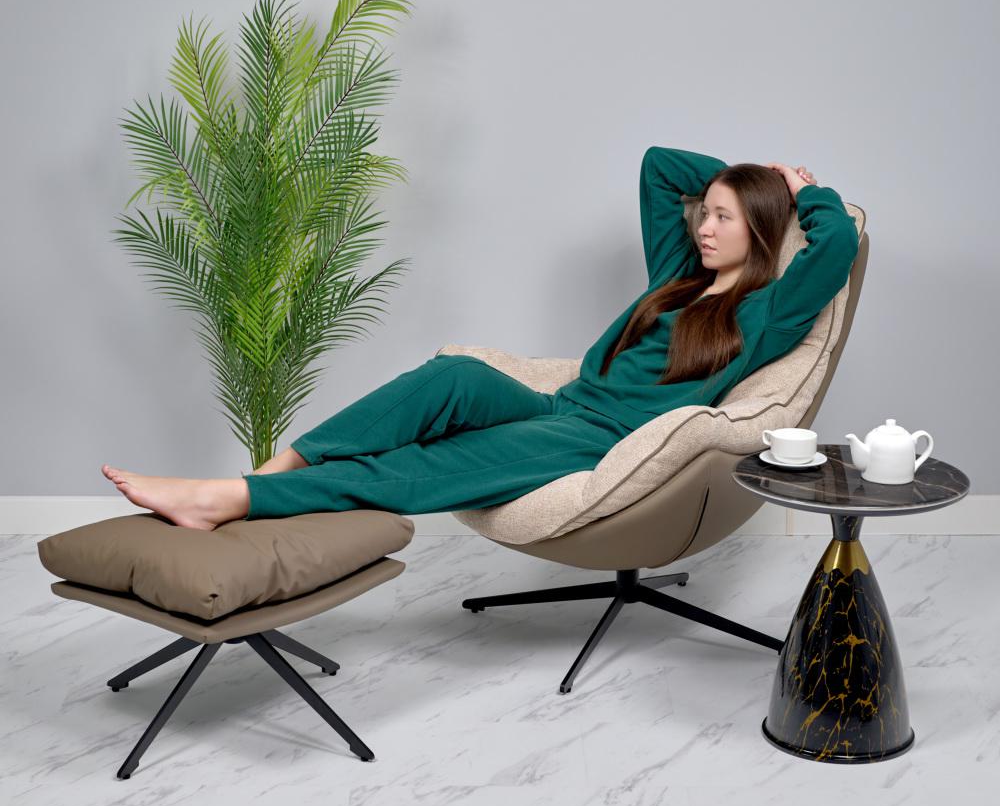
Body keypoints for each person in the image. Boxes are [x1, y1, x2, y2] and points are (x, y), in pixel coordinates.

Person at [102, 148, 859, 530]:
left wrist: (796, 192)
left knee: (430, 463)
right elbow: (661, 167)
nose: (704, 226)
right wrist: (745, 177)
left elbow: (836, 246)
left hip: (598, 442)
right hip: (561, 405)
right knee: (450, 377)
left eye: (725, 217)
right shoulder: (680, 276)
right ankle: (282, 466)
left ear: (761, 228)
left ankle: (229, 500)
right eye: (707, 212)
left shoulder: (767, 311)